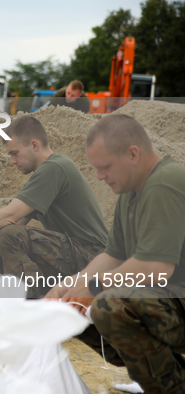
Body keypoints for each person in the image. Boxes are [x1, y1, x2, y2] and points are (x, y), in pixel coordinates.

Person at [46, 114, 185, 393]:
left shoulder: (163, 184)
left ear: (133, 154)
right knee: (71, 310)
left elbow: (157, 267)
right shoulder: (131, 193)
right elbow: (113, 256)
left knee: (109, 305)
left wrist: (93, 287)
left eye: (105, 167)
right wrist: (73, 285)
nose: (99, 176)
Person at [0, 115, 108, 298]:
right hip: (76, 255)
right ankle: (45, 296)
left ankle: (28, 305)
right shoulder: (44, 173)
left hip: (94, 259)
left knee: (10, 236)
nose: (12, 161)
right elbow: (16, 222)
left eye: (14, 153)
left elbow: (9, 216)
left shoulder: (54, 168)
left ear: (34, 145)